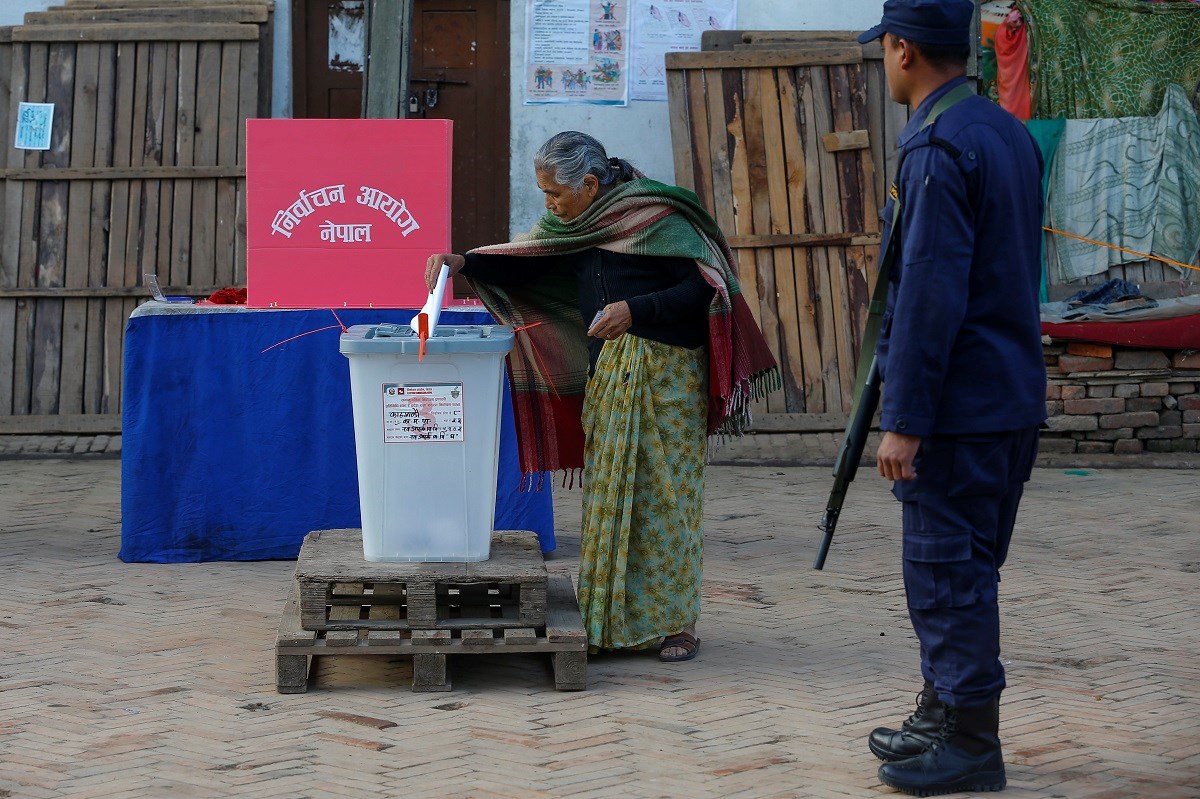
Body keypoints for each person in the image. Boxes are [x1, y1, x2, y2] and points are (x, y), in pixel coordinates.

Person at [425, 131, 778, 663]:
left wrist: (636, 311)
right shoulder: (578, 224)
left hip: (667, 377)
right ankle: (608, 622)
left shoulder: (658, 217)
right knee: (609, 499)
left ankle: (676, 624)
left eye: (554, 194)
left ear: (590, 184)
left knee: (666, 502)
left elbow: (706, 287)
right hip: (609, 373)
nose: (548, 204)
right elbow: (534, 261)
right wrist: (466, 264)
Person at [857, 1, 1047, 795]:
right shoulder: (1003, 130)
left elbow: (929, 295)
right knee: (968, 569)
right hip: (1007, 396)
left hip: (960, 408)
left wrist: (903, 420)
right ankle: (943, 712)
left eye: (885, 47)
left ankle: (971, 742)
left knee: (945, 574)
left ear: (903, 49)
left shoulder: (938, 144)